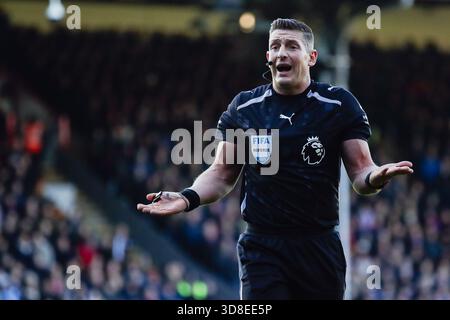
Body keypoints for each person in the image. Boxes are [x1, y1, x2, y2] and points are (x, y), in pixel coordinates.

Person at [137, 18, 413, 300]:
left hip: (318, 246)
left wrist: (375, 177)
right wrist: (186, 198)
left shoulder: (338, 105)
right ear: (268, 56)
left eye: (292, 46)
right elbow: (221, 174)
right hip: (263, 247)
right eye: (275, 46)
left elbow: (360, 173)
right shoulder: (245, 108)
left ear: (311, 57)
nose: (282, 52)